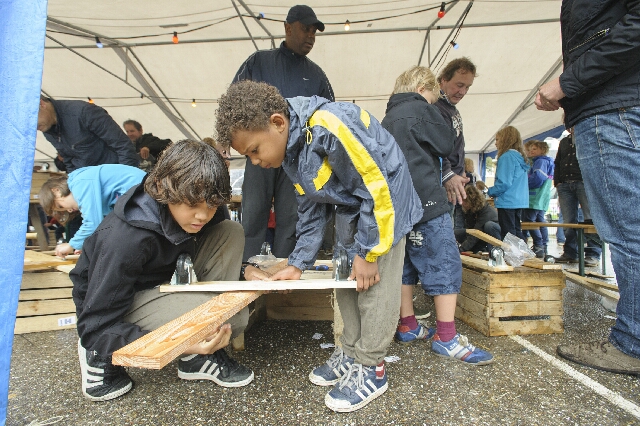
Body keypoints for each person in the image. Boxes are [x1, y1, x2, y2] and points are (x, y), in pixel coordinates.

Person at [215, 80, 423, 412]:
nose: (254, 161)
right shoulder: (291, 153)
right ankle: (351, 352)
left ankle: (372, 367)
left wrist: (369, 253)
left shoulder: (329, 125)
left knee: (373, 288)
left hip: (386, 210)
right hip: (352, 210)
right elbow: (311, 208)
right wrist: (297, 263)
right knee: (345, 283)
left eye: (254, 150)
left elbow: (376, 187)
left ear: (278, 123)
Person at [71, 140, 254, 402]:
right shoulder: (125, 239)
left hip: (160, 281)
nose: (203, 216)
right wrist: (180, 342)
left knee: (230, 231)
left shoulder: (205, 202)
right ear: (163, 189)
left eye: (211, 206)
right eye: (193, 205)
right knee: (229, 319)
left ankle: (195, 358)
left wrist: (247, 270)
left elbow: (216, 236)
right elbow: (94, 325)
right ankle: (98, 356)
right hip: (109, 307)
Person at [535, 0, 640, 375]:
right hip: (613, 102)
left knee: (628, 232)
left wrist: (568, 83)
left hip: (614, 105)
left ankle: (633, 341)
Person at [381, 66, 493, 365]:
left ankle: (408, 325)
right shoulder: (422, 108)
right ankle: (446, 337)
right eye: (433, 96)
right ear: (422, 88)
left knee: (404, 266)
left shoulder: (387, 117)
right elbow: (445, 143)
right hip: (428, 203)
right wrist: (434, 112)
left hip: (398, 207)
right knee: (443, 263)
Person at [232, 4, 334, 263]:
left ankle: (284, 276)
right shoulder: (259, 62)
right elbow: (234, 103)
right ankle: (247, 269)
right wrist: (229, 140)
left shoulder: (317, 75)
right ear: (288, 28)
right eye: (305, 29)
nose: (310, 36)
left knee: (292, 217)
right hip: (260, 152)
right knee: (253, 214)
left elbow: (329, 118)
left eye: (314, 31)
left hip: (299, 158)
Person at [38, 164, 146, 258]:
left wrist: (71, 245)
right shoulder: (85, 183)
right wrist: (85, 243)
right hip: (139, 197)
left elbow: (92, 222)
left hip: (143, 195)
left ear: (56, 191)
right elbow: (106, 224)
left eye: (60, 206)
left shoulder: (80, 183)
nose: (69, 210)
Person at [37, 96, 139, 173]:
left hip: (113, 176)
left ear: (42, 104)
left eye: (31, 121)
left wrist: (125, 181)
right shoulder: (46, 127)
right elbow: (68, 160)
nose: (35, 128)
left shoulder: (83, 112)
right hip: (89, 184)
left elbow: (123, 146)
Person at [435, 57, 477, 229]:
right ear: (444, 80)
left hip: (452, 184)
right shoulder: (436, 107)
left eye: (467, 87)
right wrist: (447, 175)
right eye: (459, 85)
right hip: (442, 185)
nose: (463, 91)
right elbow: (435, 146)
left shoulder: (451, 108)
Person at [550, 131, 601, 266]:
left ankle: (593, 254)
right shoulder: (564, 141)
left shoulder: (588, 136)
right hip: (566, 184)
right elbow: (558, 162)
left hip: (583, 182)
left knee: (591, 220)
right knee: (568, 222)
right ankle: (571, 253)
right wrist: (558, 182)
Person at [487, 126, 530, 240]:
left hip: (507, 201)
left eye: (497, 139)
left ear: (506, 139)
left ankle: (514, 257)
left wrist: (490, 191)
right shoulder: (519, 156)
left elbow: (504, 183)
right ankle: (523, 255)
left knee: (508, 235)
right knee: (516, 231)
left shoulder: (506, 156)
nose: (495, 143)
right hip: (518, 200)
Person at [522, 140, 555, 258]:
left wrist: (523, 184)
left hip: (535, 197)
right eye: (530, 149)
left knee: (529, 221)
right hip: (541, 198)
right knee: (540, 220)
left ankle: (538, 244)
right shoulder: (545, 162)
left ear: (542, 150)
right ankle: (543, 245)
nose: (531, 151)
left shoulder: (540, 161)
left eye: (534, 149)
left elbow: (537, 178)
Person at [456, 185, 501, 253]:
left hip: (494, 233)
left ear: (471, 201)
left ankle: (494, 252)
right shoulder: (470, 210)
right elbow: (470, 231)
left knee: (489, 225)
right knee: (458, 232)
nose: (462, 203)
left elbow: (475, 234)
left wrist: (460, 250)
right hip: (481, 235)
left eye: (464, 201)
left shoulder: (486, 212)